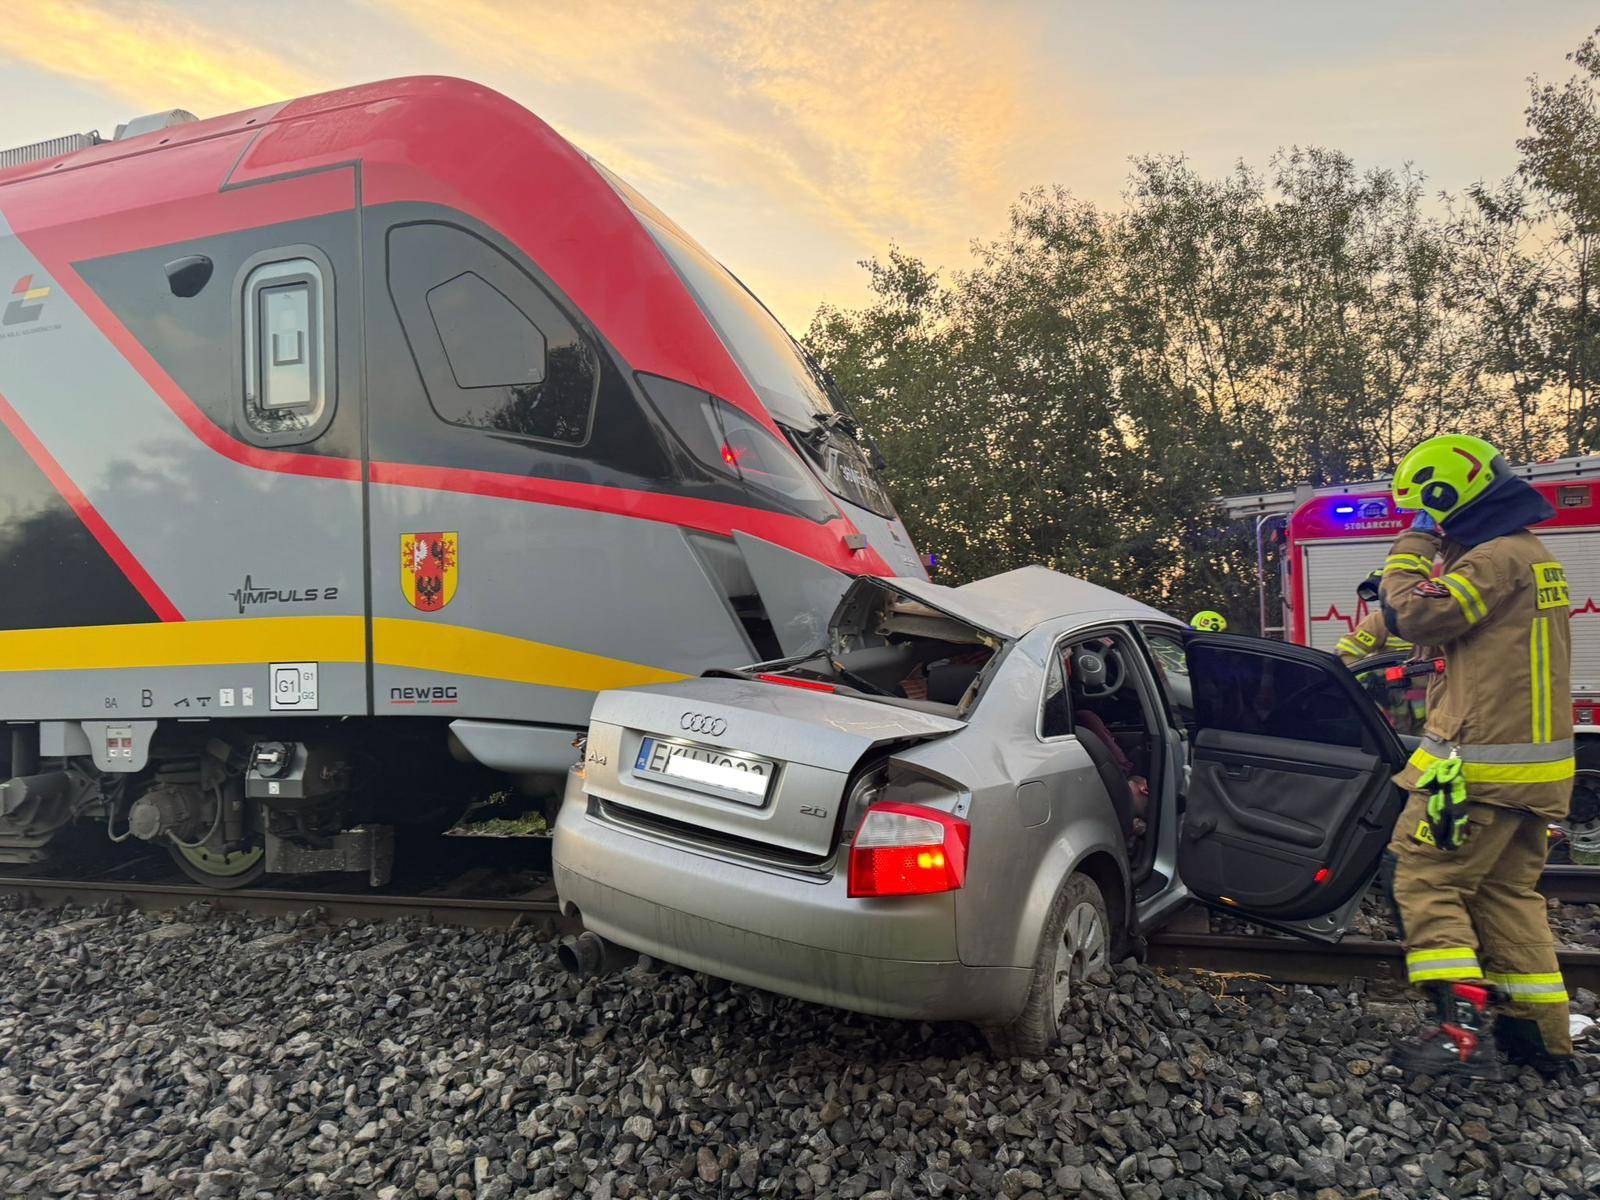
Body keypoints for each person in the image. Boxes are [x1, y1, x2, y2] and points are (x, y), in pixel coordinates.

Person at [1380, 434, 1577, 1078]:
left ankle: (1457, 1030)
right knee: (1505, 896)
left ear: (1447, 496)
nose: (1427, 519)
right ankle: (1541, 1039)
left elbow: (1415, 614)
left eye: (1427, 507)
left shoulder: (1493, 559)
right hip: (1535, 776)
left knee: (1424, 876)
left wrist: (1413, 546)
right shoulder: (1531, 555)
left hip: (1482, 770)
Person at [1336, 571, 1414, 666]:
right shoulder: (1379, 620)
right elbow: (1348, 654)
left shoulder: (1428, 614)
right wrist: (1369, 675)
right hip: (1395, 675)